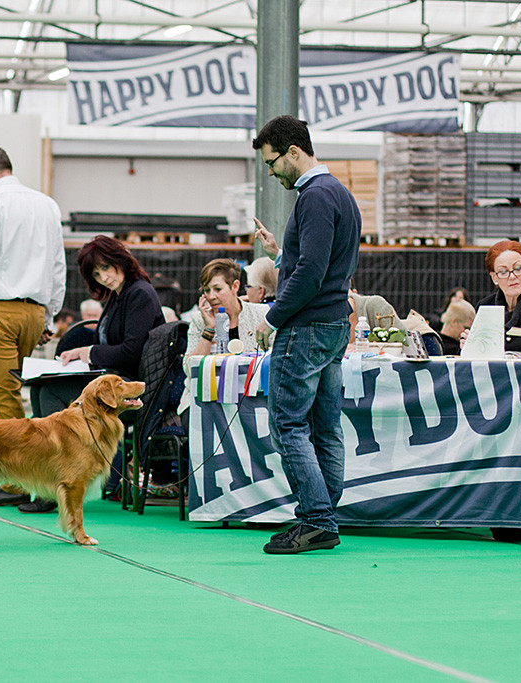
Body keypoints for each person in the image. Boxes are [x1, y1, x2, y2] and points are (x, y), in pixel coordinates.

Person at [251, 115, 360, 554]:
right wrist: (281, 253)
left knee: (288, 425)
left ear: (293, 152)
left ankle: (316, 520)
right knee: (325, 428)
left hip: (307, 327)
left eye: (272, 162)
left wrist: (271, 318)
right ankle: (324, 517)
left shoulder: (313, 197)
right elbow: (323, 264)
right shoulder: (339, 193)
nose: (271, 172)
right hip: (334, 324)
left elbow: (311, 272)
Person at [20, 235, 164, 511]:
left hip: (128, 389)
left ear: (121, 261)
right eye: (96, 274)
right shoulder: (119, 295)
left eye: (106, 268)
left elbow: (132, 351)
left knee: (49, 391)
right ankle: (52, 478)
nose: (104, 277)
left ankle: (56, 483)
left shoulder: (140, 293)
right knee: (40, 388)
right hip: (109, 381)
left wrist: (88, 352)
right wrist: (84, 352)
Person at [0, 144, 66, 508]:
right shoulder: (46, 204)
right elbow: (57, 267)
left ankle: (19, 481)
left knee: (4, 401)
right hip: (34, 313)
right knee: (24, 396)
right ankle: (34, 476)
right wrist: (49, 314)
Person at [179, 258, 269, 413]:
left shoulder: (261, 314)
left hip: (252, 397)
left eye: (217, 289)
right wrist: (209, 330)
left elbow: (274, 355)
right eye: (207, 290)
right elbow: (189, 369)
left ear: (235, 286)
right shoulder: (198, 320)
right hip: (204, 399)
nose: (211, 296)